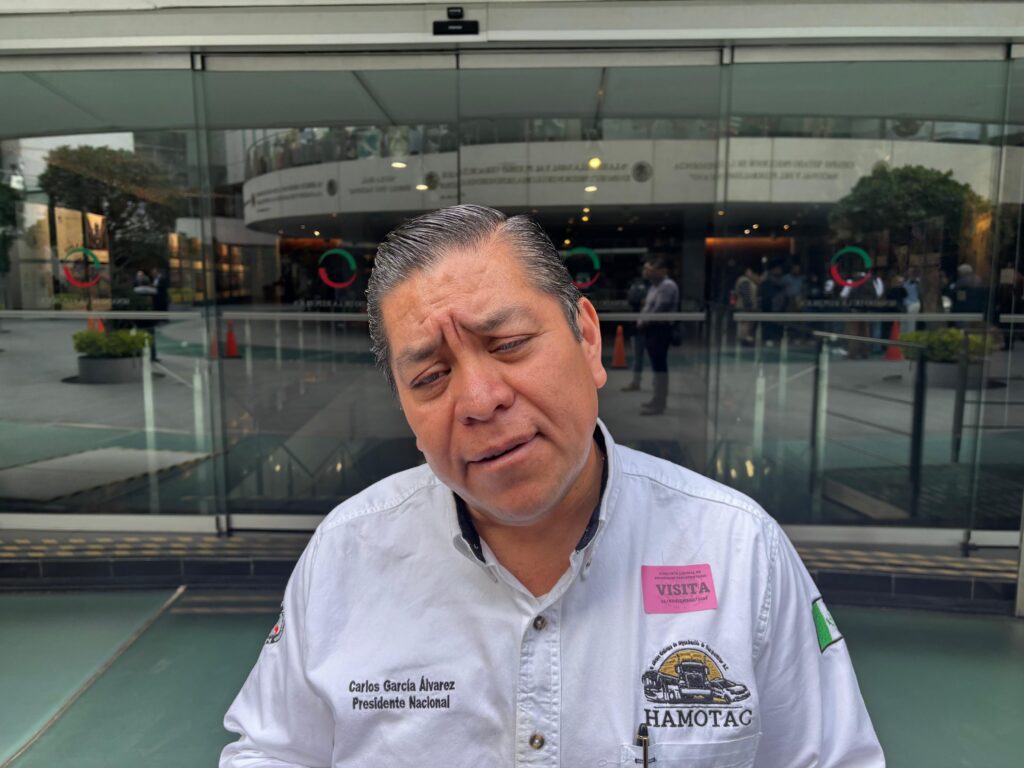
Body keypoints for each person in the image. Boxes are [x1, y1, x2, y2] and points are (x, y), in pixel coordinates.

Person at [220, 205, 884, 768]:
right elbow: (271, 750)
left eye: (508, 343)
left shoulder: (740, 552)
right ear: (404, 407)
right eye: (430, 377)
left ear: (588, 339)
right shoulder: (346, 554)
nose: (479, 400)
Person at [636, 255, 679, 415]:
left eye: (651, 270)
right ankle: (657, 399)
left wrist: (643, 321)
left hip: (660, 329)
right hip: (652, 329)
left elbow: (658, 309)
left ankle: (660, 403)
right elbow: (648, 307)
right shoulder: (654, 286)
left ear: (662, 270)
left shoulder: (667, 286)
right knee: (656, 367)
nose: (647, 273)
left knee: (660, 367)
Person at [621, 272, 649, 392]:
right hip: (637, 327)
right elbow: (632, 299)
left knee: (654, 358)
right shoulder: (637, 285)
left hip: (650, 326)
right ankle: (636, 382)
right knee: (638, 356)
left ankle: (657, 386)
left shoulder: (654, 286)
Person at [733, 266, 760, 345]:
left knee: (747, 322)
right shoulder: (744, 281)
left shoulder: (749, 281)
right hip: (745, 306)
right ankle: (744, 338)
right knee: (745, 322)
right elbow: (746, 294)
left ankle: (745, 337)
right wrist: (749, 305)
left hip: (747, 306)